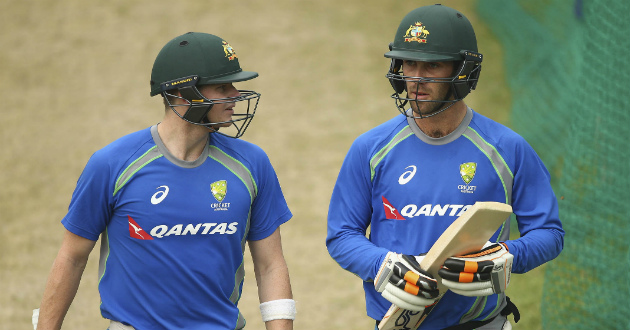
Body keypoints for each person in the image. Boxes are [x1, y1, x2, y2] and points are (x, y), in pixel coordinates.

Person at [326, 4, 564, 330]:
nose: (416, 79)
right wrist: (383, 266)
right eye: (409, 63)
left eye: (432, 66)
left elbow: (549, 234)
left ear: (462, 72)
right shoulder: (370, 149)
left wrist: (503, 258)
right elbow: (341, 235)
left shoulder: (507, 149)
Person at [36, 32, 295, 330]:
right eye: (223, 87)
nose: (235, 94)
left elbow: (270, 265)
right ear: (183, 94)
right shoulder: (112, 164)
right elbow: (72, 257)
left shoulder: (252, 164)